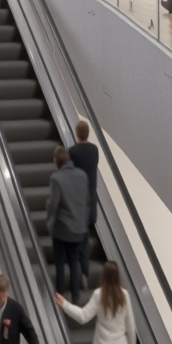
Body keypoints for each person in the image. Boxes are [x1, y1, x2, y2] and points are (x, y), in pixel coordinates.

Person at [46, 145, 89, 295]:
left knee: (59, 264)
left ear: (57, 162)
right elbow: (86, 201)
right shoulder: (82, 175)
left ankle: (61, 295)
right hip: (79, 229)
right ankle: (76, 296)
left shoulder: (56, 178)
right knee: (74, 263)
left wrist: (49, 222)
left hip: (62, 228)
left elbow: (53, 204)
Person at [69, 117, 99, 286]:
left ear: (77, 134)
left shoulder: (72, 152)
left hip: (77, 201)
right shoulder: (95, 150)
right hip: (90, 201)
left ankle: (77, 271)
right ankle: (85, 271)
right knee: (85, 238)